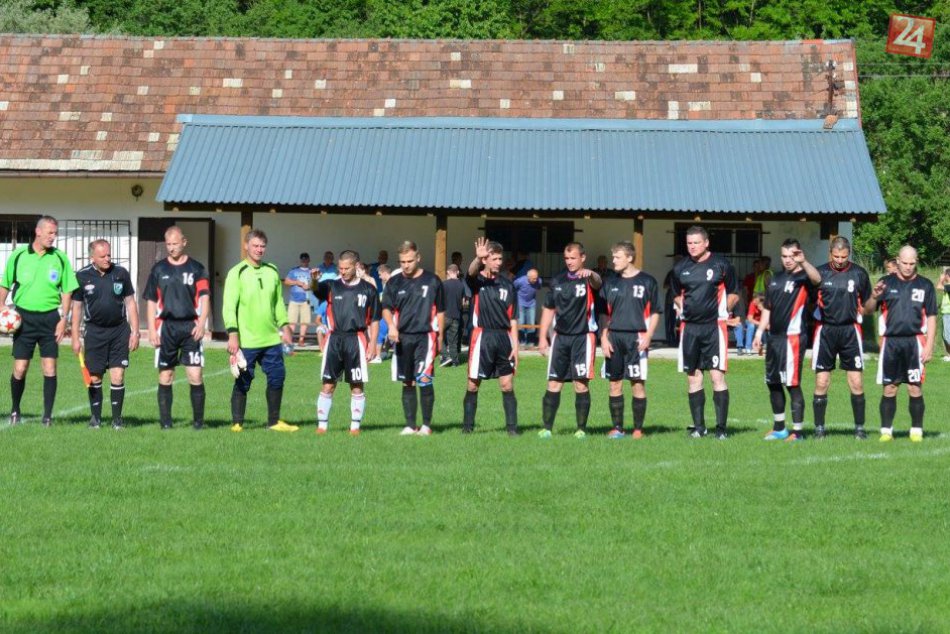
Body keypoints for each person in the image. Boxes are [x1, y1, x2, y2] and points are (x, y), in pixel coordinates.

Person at [0, 215, 78, 426]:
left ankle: (47, 416)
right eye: (50, 233)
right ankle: (15, 410)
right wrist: (1, 306)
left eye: (55, 233)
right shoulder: (18, 256)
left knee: (50, 368)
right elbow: (5, 284)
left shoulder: (60, 258)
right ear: (38, 232)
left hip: (50, 318)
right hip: (23, 318)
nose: (54, 237)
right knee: (20, 368)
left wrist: (64, 319)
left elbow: (68, 291)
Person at [223, 229, 297, 433]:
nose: (259, 250)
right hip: (247, 340)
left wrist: (285, 326)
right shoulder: (236, 272)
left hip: (271, 338)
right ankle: (237, 423)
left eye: (262, 246)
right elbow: (229, 306)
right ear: (246, 246)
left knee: (277, 377)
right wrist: (233, 334)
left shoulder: (272, 270)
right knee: (243, 379)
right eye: (255, 245)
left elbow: (278, 303)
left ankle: (273, 422)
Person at [670, 226, 739, 439]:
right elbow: (675, 294)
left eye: (696, 242)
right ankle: (699, 428)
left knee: (717, 376)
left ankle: (721, 429)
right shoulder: (680, 268)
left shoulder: (721, 264)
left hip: (714, 328)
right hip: (689, 328)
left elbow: (735, 292)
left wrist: (725, 310)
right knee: (694, 378)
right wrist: (684, 308)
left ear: (706, 243)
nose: (692, 246)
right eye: (689, 243)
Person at [863, 245, 937, 442]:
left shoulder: (925, 285)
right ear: (897, 261)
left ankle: (916, 431)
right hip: (891, 343)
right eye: (904, 263)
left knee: (914, 387)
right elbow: (868, 310)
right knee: (890, 387)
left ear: (917, 262)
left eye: (912, 263)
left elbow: (931, 317)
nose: (908, 267)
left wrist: (929, 346)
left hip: (915, 342)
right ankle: (886, 432)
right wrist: (874, 296)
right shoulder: (885, 283)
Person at [752, 239, 821, 440]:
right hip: (774, 339)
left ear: (799, 255)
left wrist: (805, 262)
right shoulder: (774, 279)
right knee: (773, 382)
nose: (788, 260)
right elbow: (767, 308)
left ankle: (798, 432)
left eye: (792, 256)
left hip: (793, 339)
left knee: (792, 383)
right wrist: (758, 334)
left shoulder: (804, 278)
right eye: (785, 256)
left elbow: (817, 280)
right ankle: (780, 428)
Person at [144, 226, 211, 430]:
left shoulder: (197, 268)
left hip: (191, 327)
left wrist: (202, 324)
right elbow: (151, 302)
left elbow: (205, 297)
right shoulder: (158, 269)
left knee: (195, 375)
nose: (172, 248)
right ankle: (166, 424)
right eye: (168, 244)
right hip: (166, 328)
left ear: (184, 242)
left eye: (175, 243)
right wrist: (152, 330)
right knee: (166, 376)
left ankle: (198, 423)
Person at [70, 239, 139, 429]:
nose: (108, 258)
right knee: (95, 377)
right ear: (92, 257)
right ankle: (96, 419)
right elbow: (76, 308)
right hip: (94, 333)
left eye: (109, 254)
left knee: (118, 376)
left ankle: (117, 420)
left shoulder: (120, 273)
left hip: (119, 331)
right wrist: (75, 336)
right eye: (103, 256)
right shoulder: (82, 276)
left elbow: (131, 303)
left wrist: (135, 332)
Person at [537, 241, 602, 439]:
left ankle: (581, 429)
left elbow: (598, 282)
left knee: (580, 384)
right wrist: (542, 337)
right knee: (554, 384)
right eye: (566, 258)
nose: (569, 262)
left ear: (583, 257)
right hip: (560, 339)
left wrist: (591, 273)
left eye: (573, 258)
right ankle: (547, 428)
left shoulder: (589, 279)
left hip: (583, 338)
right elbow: (549, 309)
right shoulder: (557, 281)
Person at [810, 236, 872, 439]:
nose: (839, 260)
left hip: (850, 332)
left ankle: (860, 429)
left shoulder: (859, 273)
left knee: (856, 382)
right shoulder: (820, 273)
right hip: (825, 331)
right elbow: (808, 301)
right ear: (830, 253)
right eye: (836, 256)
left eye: (843, 256)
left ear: (849, 254)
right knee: (822, 382)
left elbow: (868, 304)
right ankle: (819, 429)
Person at [313, 250, 380, 435]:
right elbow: (316, 290)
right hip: (334, 339)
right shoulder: (331, 285)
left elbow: (374, 319)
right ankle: (322, 425)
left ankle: (355, 427)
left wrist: (373, 344)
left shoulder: (368, 289)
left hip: (356, 340)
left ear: (356, 266)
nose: (342, 271)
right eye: (340, 268)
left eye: (347, 268)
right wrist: (313, 280)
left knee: (356, 385)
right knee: (328, 384)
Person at [382, 241, 445, 436]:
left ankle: (426, 425)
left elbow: (441, 311)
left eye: (409, 260)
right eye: (402, 262)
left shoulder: (433, 280)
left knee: (424, 379)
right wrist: (391, 326)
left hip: (426, 336)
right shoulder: (394, 282)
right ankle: (410, 425)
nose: (406, 265)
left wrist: (440, 338)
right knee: (407, 381)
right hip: (402, 338)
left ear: (418, 258)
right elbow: (386, 308)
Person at [600, 241, 660, 439]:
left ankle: (637, 429)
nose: (613, 261)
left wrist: (649, 336)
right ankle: (617, 428)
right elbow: (605, 314)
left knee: (637, 383)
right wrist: (604, 337)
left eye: (617, 257)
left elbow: (655, 312)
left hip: (637, 338)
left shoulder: (648, 281)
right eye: (613, 257)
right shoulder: (610, 282)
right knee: (614, 383)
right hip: (614, 338)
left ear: (629, 258)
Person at [463, 238, 520, 435]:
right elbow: (470, 273)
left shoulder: (508, 285)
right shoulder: (477, 281)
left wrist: (516, 345)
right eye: (494, 258)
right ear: (486, 260)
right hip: (481, 337)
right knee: (472, 383)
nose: (498, 262)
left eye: (499, 258)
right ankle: (468, 428)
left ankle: (512, 429)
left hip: (504, 338)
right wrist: (476, 259)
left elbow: (513, 318)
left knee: (507, 384)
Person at [283, 252, 314, 346]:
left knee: (305, 322)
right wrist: (297, 282)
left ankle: (301, 340)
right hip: (294, 300)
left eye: (306, 259)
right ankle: (289, 340)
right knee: (292, 321)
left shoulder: (312, 271)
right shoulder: (293, 271)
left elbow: (316, 285)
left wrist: (309, 286)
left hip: (307, 300)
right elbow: (286, 281)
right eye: (302, 259)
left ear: (309, 260)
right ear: (300, 260)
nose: (304, 260)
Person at [441, 264, 467, 367]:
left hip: (445, 315)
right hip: (456, 316)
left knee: (438, 336)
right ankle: (455, 362)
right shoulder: (461, 285)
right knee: (453, 340)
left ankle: (445, 356)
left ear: (448, 272)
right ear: (457, 272)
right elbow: (463, 302)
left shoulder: (444, 284)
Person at [513, 268, 542, 345]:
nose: (535, 280)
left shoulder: (539, 281)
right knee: (521, 323)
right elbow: (513, 288)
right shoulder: (520, 281)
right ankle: (522, 341)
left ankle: (530, 342)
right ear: (528, 277)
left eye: (536, 278)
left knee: (531, 324)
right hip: (520, 303)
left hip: (531, 303)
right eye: (533, 279)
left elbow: (539, 287)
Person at [662, 255, 683, 346]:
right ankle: (671, 340)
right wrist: (673, 286)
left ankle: (680, 340)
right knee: (670, 320)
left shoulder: (686, 272)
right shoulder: (671, 273)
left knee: (681, 320)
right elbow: (665, 285)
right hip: (671, 298)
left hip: (682, 298)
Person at [940, 267, 950, 362]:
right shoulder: (948, 286)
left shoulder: (949, 286)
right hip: (945, 313)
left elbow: (938, 286)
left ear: (947, 276)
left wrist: (941, 279)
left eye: (945, 275)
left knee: (947, 336)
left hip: (948, 314)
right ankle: (949, 355)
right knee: (945, 335)